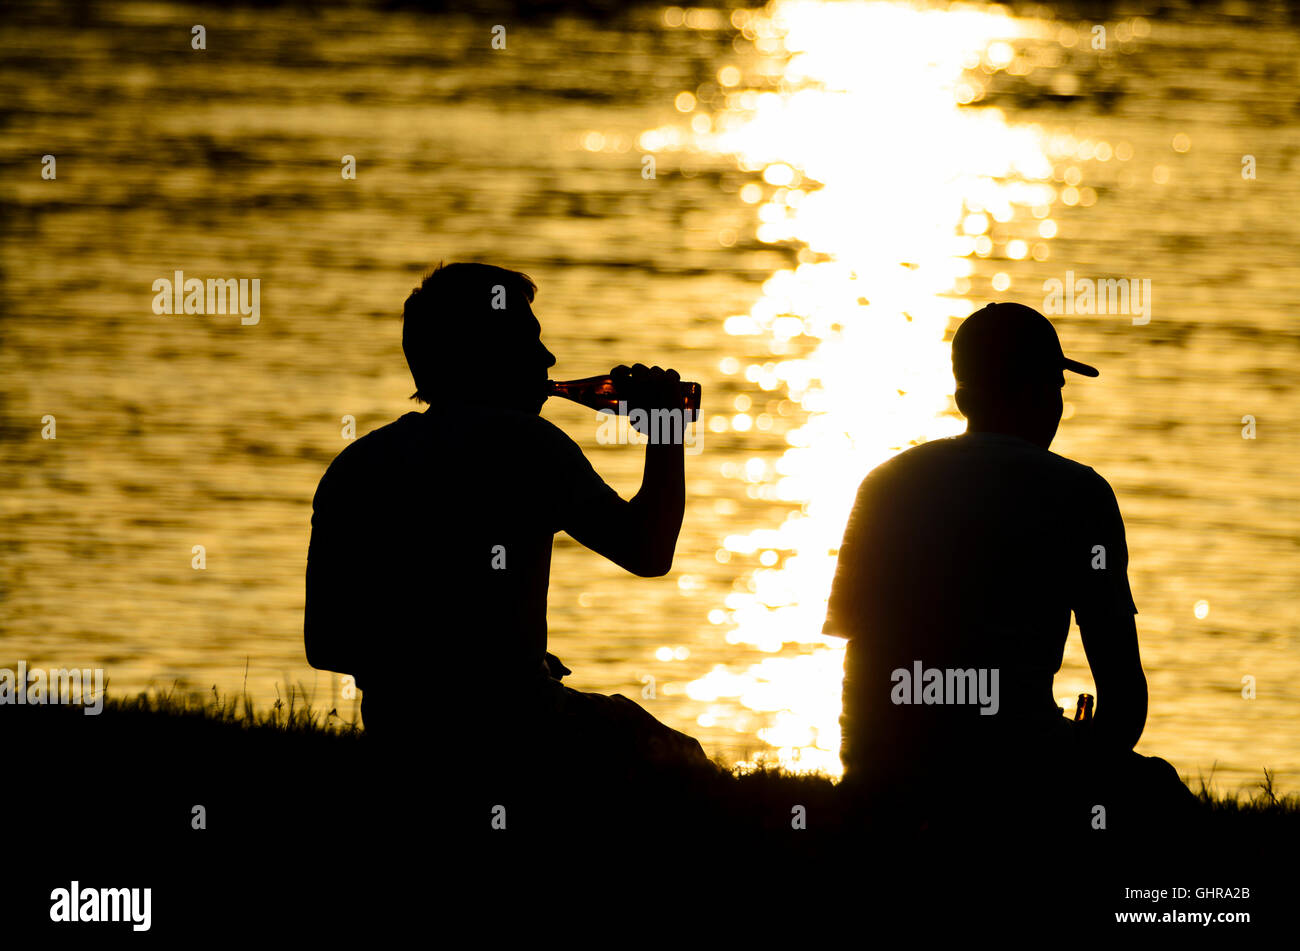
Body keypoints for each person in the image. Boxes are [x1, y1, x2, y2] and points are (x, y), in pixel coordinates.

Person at [303, 262, 713, 786]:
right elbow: (649, 551)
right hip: (522, 734)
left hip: (401, 741)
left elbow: (325, 643)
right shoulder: (528, 446)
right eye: (528, 341)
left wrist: (459, 658)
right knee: (685, 764)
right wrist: (665, 431)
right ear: (485, 354)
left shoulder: (357, 466)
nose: (548, 359)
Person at [823, 302, 1197, 834]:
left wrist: (872, 770)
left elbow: (854, 648)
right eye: (1057, 388)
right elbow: (1123, 696)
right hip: (1015, 772)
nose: (1058, 406)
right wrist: (1088, 764)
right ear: (1045, 394)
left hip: (879, 771)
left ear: (962, 398)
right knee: (1162, 798)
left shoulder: (884, 482)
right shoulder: (1081, 494)